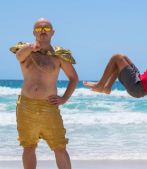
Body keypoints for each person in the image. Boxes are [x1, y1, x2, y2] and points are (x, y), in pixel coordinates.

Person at [10, 18, 78, 169]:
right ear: (34, 32)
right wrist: (31, 47)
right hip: (26, 105)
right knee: (28, 146)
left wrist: (64, 98)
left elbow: (73, 78)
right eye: (39, 29)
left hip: (49, 106)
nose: (42, 31)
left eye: (46, 28)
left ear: (52, 33)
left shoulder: (60, 55)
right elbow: (18, 56)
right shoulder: (25, 51)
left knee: (59, 147)